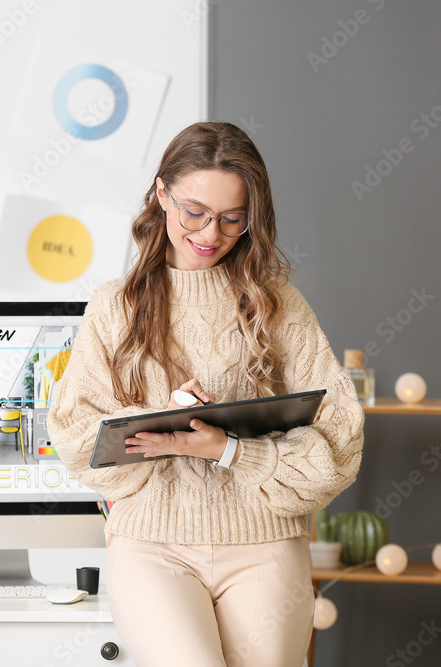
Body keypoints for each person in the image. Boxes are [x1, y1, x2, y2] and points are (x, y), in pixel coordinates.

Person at [46, 121, 364, 667]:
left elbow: (340, 441)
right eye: (194, 211)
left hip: (266, 543)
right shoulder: (112, 307)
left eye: (232, 219)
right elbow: (77, 439)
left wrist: (226, 450)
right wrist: (162, 421)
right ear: (161, 193)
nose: (210, 233)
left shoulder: (278, 304)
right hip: (151, 544)